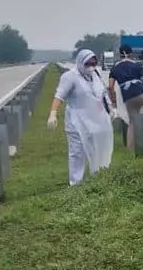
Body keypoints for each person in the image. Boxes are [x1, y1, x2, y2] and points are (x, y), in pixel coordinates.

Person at [47, 49, 115, 185]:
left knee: (97, 147)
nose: (90, 67)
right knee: (77, 152)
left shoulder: (95, 74)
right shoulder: (70, 77)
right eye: (87, 64)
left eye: (93, 64)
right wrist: (53, 113)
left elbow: (102, 93)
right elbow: (59, 96)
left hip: (95, 120)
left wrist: (111, 108)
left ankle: (98, 176)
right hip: (76, 120)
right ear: (80, 62)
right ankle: (76, 182)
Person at [107, 44, 143, 151]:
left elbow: (110, 86)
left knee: (132, 123)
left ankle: (131, 149)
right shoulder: (137, 65)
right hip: (140, 94)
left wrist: (114, 101)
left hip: (128, 99)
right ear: (130, 54)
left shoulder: (115, 67)